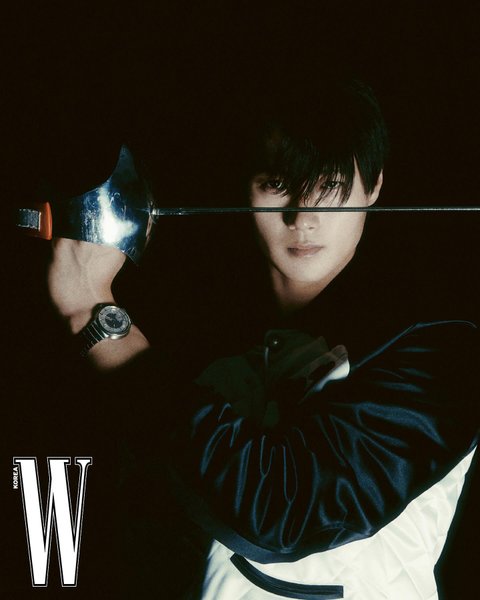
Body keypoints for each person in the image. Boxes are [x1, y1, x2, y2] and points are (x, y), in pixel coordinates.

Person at [46, 80, 478, 599]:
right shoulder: (202, 338)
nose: (304, 218)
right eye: (277, 183)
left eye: (331, 184)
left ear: (374, 187)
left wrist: (92, 314)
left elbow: (282, 508)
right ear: (244, 188)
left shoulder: (441, 348)